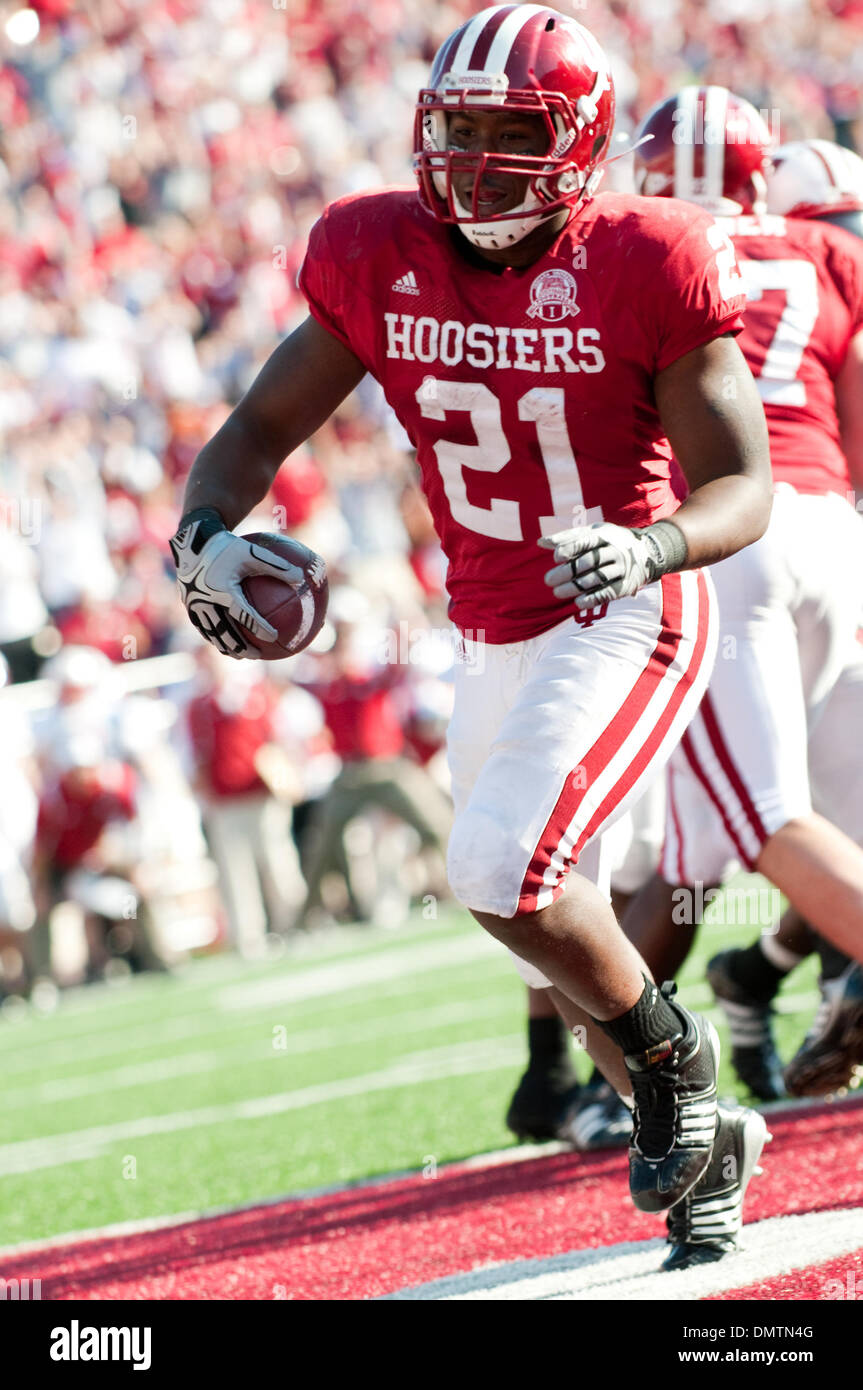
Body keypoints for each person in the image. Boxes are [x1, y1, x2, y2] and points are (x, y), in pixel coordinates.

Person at [170, 6, 772, 1263]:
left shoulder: (650, 257)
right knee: (548, 925)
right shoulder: (377, 251)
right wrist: (204, 536)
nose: (475, 165)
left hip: (624, 604)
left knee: (503, 868)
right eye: (456, 133)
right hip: (491, 624)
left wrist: (649, 543)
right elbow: (251, 438)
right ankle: (705, 1138)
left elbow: (739, 487)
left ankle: (678, 1060)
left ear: (579, 145)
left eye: (510, 136)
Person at [621, 95, 863, 1105]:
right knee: (813, 818)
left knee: (736, 823)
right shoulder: (826, 250)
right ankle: (745, 992)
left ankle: (608, 1072)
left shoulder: (636, 244)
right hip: (830, 528)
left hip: (718, 536)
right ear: (759, 173)